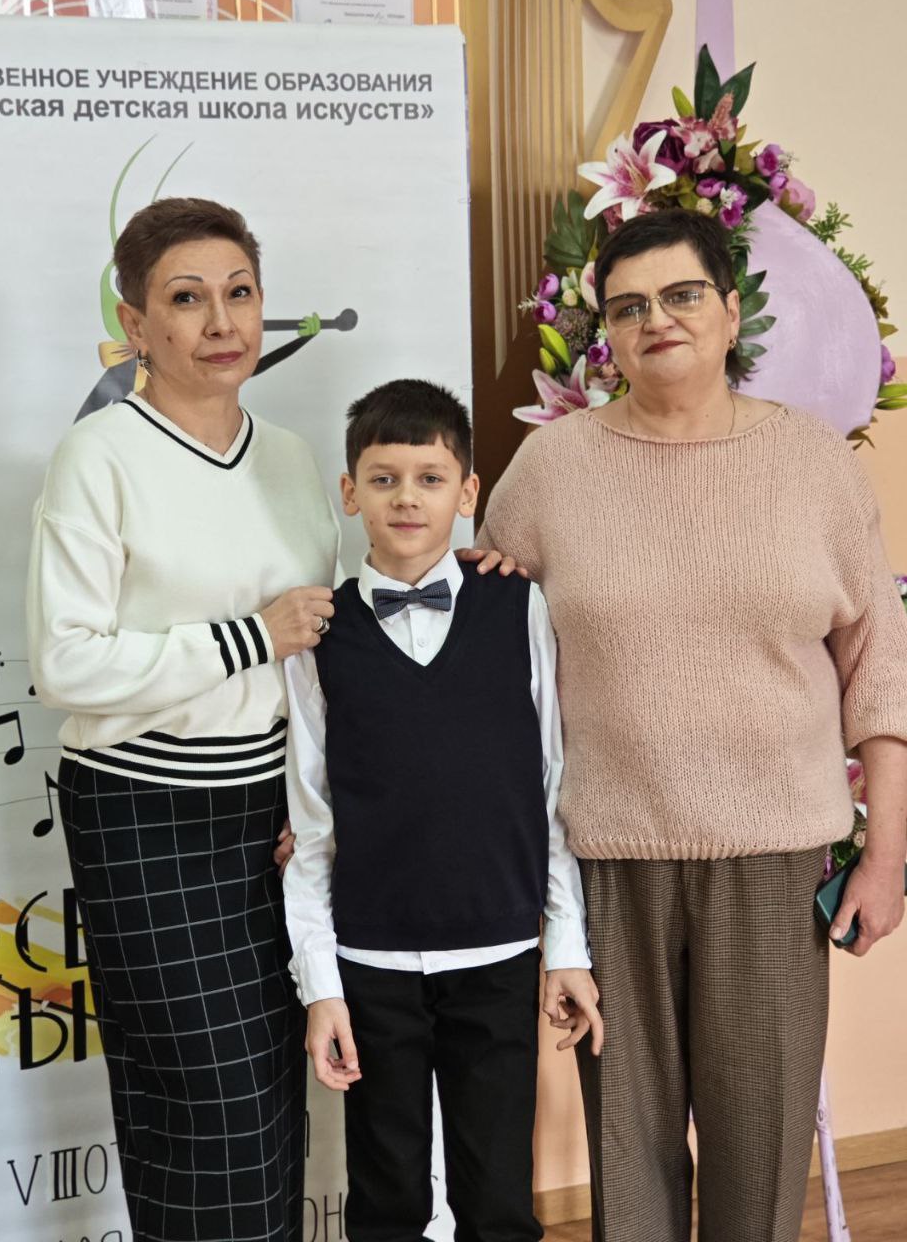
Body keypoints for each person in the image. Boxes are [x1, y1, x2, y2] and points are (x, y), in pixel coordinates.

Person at [476, 209, 907, 1242]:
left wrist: (888, 857)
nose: (655, 320)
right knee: (627, 1159)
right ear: (607, 335)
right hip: (606, 863)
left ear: (730, 311)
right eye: (627, 307)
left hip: (774, 866)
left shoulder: (813, 463)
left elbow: (881, 673)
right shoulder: (550, 470)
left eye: (679, 296)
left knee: (761, 1157)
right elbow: (482, 659)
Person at [26, 197, 342, 1242]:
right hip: (144, 812)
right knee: (207, 1110)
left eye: (239, 293)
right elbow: (65, 661)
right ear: (136, 323)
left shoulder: (291, 457)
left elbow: (319, 648)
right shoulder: (98, 455)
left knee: (271, 1101)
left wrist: (314, 798)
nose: (221, 321)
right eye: (187, 298)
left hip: (271, 816)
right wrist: (247, 636)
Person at [281, 379, 602, 1242]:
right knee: (387, 1199)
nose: (407, 498)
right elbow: (311, 824)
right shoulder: (320, 635)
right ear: (350, 492)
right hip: (370, 958)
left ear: (468, 493)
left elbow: (551, 785)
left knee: (498, 1198)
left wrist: (566, 945)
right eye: (383, 479)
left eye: (430, 478)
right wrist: (321, 986)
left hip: (498, 948)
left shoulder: (517, 605)